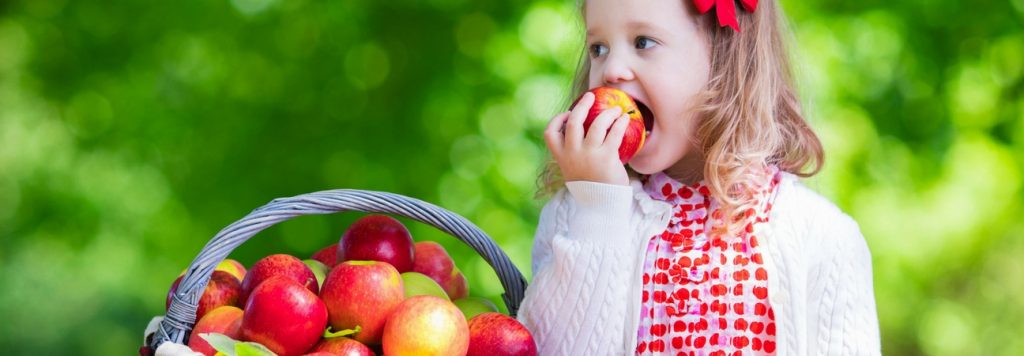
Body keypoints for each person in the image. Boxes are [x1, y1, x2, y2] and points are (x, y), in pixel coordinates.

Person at [515, 0, 881, 354]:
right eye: (599, 48)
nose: (611, 70)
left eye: (643, 42)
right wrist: (597, 210)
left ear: (725, 58)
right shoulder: (576, 216)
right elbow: (548, 349)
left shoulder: (822, 235)